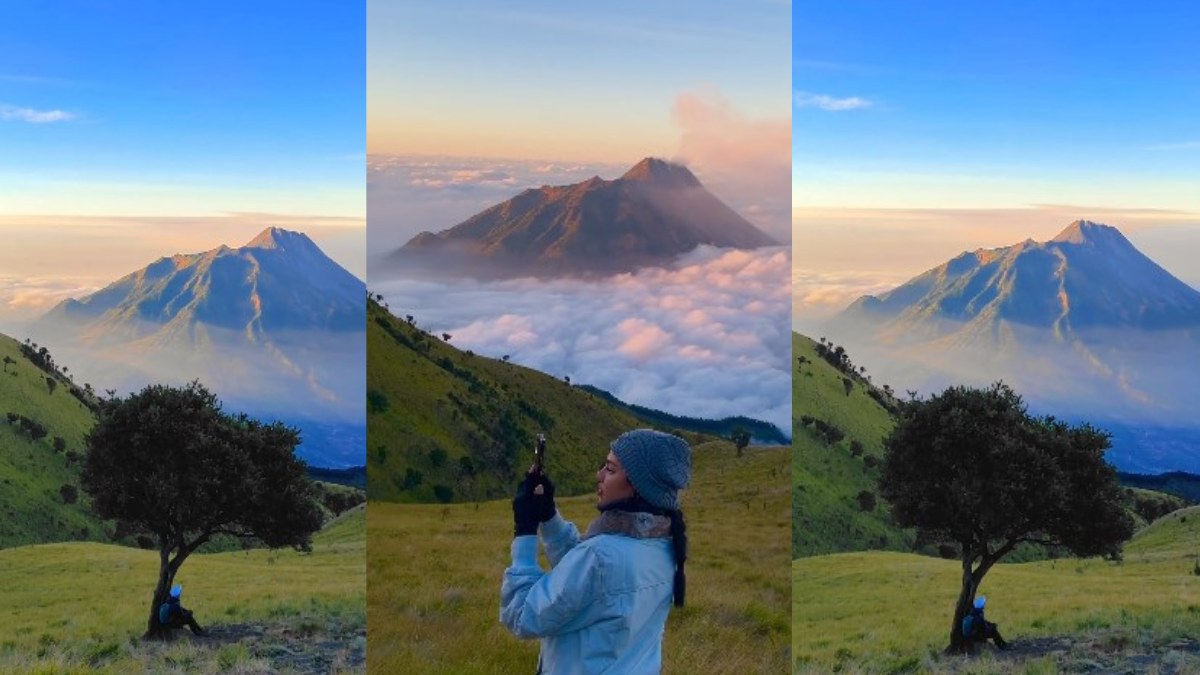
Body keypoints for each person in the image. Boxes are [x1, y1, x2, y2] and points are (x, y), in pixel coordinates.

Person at [500, 429, 691, 674]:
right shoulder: (666, 547)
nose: (599, 475)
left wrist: (524, 531)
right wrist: (549, 517)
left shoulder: (600, 556)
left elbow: (521, 615)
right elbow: (589, 584)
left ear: (637, 486)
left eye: (610, 470)